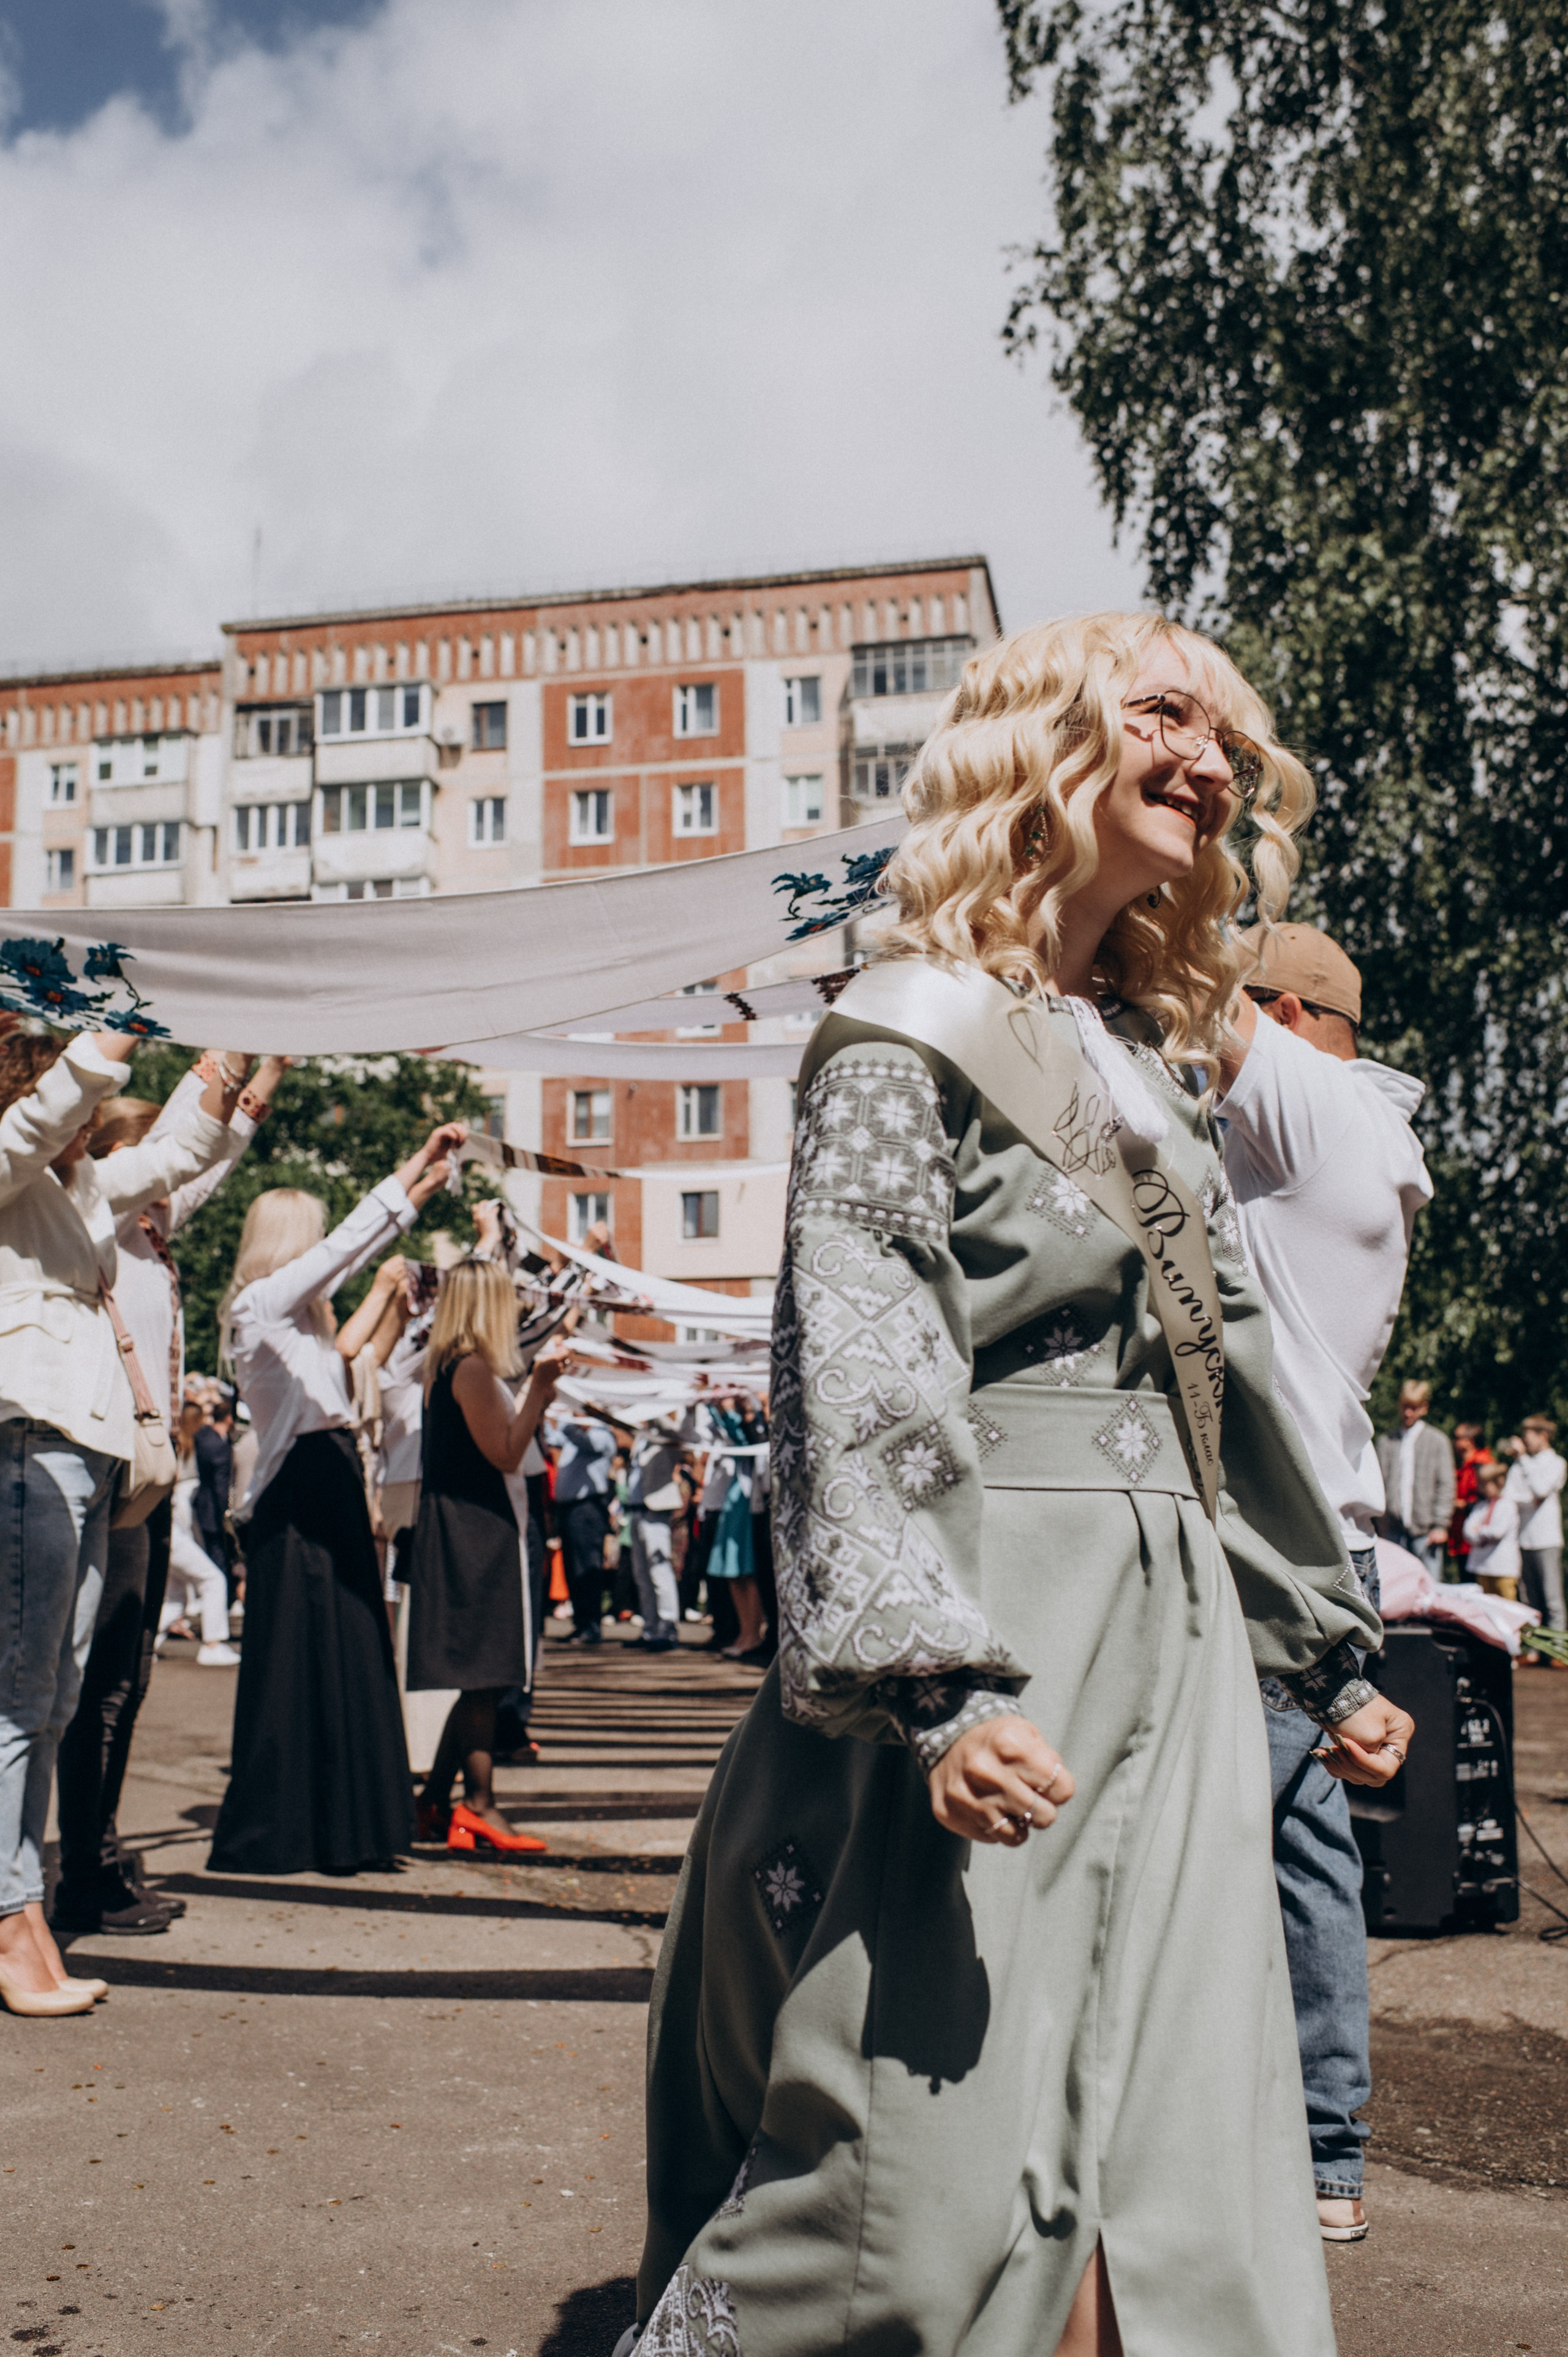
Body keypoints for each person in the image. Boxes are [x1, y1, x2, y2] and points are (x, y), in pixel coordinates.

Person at [632, 613, 1412, 2357]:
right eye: (1163, 717)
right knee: (930, 2172)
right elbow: (861, 1350)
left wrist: (1323, 1638)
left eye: (1228, 740)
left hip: (1185, 1646)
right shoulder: (903, 1025)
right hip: (995, 1636)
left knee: (1171, 2168)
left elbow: (1233, 1394)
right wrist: (934, 1684)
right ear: (1039, 739)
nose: (1209, 764)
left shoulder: (1158, 1055)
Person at [1218, 920, 1432, 2242]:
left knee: (1247, 1844)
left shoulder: (1305, 1104)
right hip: (1313, 1531)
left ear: (1285, 1016)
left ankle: (1298, 2154)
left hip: (1275, 1535)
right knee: (1299, 1850)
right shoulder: (1353, 1132)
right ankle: (1322, 2160)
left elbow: (1175, 984)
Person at [0, 1021, 238, 2016]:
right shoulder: (9, 1170)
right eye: (80, 1103)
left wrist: (235, 1059)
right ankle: (12, 1921)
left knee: (54, 1692)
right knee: (20, 1692)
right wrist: (112, 1031)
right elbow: (35, 1123)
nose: (92, 1123)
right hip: (32, 1442)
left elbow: (185, 1152)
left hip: (93, 1455)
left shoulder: (75, 1189)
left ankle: (24, 1910)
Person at [51, 1055, 284, 1943]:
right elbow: (197, 1142)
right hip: (102, 1473)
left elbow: (218, 1147)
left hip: (144, 1483)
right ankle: (81, 1869)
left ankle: (97, 1854)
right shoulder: (96, 1219)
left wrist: (276, 1058)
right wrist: (222, 1063)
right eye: (155, 1157)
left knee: (126, 1680)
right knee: (93, 1685)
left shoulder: (147, 1234)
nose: (176, 1172)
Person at [208, 1123, 462, 1876]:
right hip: (298, 1490)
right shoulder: (259, 1306)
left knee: (350, 1649)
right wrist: (413, 1172)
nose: (324, 1248)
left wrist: (416, 1196)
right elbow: (345, 1248)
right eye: (313, 1236)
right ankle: (290, 1825)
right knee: (299, 1658)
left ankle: (348, 1822)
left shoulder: (303, 1325)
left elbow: (353, 1342)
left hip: (331, 1479)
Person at [408, 1259, 573, 1850]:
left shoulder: (451, 1365)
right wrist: (542, 1389)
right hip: (474, 1533)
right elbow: (506, 1452)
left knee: (478, 1678)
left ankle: (433, 1803)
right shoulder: (472, 1368)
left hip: (464, 1528)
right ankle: (479, 1805)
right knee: (484, 1675)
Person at [157, 1401, 239, 1665]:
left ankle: (142, 1645)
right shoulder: (194, 1445)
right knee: (213, 1580)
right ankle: (213, 1645)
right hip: (173, 1529)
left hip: (170, 1527)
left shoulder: (193, 1443)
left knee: (176, 1597)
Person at [1375, 1379, 1454, 1576]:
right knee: (1394, 1584)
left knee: (1429, 1586)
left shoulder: (1437, 1441)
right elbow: (1378, 1483)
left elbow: (1446, 1485)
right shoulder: (1386, 1442)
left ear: (1424, 1408)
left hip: (1426, 1532)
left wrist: (1440, 1525)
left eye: (1414, 1408)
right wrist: (1380, 1523)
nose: (1408, 1413)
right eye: (1405, 1407)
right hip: (1392, 1530)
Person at [1500, 1414, 1566, 1646]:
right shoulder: (1521, 1465)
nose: (1525, 1442)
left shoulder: (1557, 1463)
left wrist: (1524, 1461)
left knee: (1551, 1597)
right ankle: (1534, 1647)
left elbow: (1539, 1490)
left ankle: (1558, 1645)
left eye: (1529, 1436)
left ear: (1543, 1436)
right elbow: (1508, 1497)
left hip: (1546, 1539)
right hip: (1522, 1539)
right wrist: (1528, 1498)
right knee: (1529, 1598)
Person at [553, 1409, 617, 1643]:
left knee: (587, 1567)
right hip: (570, 1509)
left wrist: (566, 1414)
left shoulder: (603, 1436)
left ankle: (591, 1626)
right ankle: (581, 1623)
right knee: (573, 1567)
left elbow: (580, 1438)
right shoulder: (572, 1438)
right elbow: (553, 1436)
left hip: (588, 1509)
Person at [627, 1419, 685, 1650]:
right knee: (641, 1573)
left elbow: (682, 1438)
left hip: (656, 1511)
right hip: (635, 1511)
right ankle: (650, 1628)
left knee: (660, 1571)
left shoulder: (666, 1436)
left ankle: (668, 1628)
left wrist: (655, 1414)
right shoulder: (640, 1436)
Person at [1464, 1463, 1521, 1598]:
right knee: (1487, 1602)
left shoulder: (1508, 1505)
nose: (1481, 1488)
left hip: (1503, 1566)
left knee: (1508, 1602)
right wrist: (1481, 1532)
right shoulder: (1480, 1507)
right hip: (1482, 1565)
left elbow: (1497, 1532)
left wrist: (1480, 1530)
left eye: (1485, 1484)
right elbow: (1467, 1531)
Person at [1448, 1422, 1494, 1570]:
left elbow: (1488, 1499)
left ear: (1470, 1440)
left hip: (1477, 1536)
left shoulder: (1482, 1464)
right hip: (1461, 1535)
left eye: (1458, 1437)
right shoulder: (1462, 1465)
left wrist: (1461, 1505)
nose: (1454, 1442)